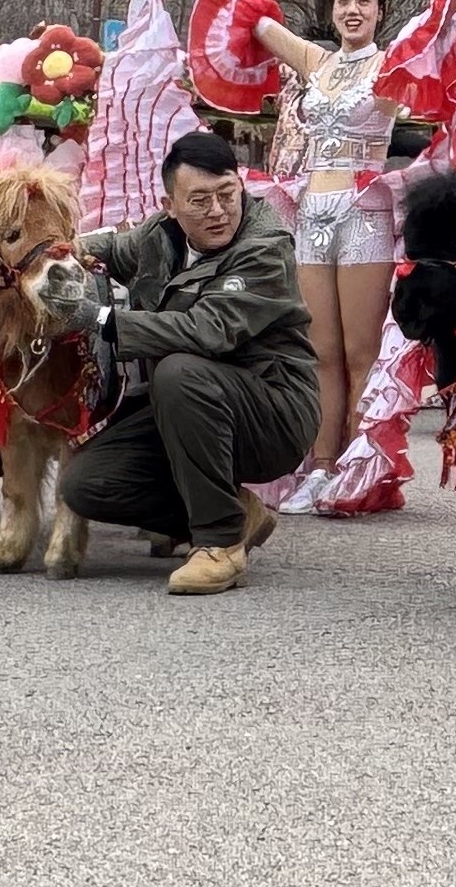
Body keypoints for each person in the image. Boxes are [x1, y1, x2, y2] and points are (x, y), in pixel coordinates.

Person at [150, 0, 456, 515]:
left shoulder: (390, 65)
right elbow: (259, 22)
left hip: (364, 214)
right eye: (344, 0)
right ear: (332, 9)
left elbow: (433, 31)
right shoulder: (317, 64)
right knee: (318, 347)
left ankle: (357, 466)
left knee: (360, 353)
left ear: (379, 12)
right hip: (311, 212)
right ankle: (320, 463)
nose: (352, 9)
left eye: (364, 1)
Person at [52, 131, 322, 594]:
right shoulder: (162, 235)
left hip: (271, 410)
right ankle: (240, 512)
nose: (217, 212)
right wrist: (51, 251)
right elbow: (112, 249)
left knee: (180, 368)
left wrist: (99, 318)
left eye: (227, 194)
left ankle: (219, 544)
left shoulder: (265, 248)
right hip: (183, 406)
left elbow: (205, 329)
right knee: (86, 484)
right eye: (199, 200)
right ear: (170, 203)